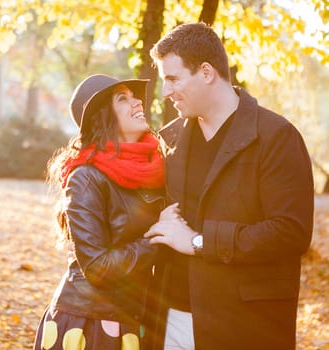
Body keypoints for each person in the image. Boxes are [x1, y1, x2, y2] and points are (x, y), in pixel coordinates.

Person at [144, 22, 314, 350]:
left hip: (244, 325)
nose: (166, 91)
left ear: (206, 72)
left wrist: (198, 242)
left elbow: (290, 232)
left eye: (173, 79)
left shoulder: (277, 137)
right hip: (173, 318)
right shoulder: (171, 138)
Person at [33, 74, 167, 350]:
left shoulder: (156, 168)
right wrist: (158, 238)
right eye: (123, 98)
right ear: (103, 116)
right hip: (89, 322)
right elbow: (96, 268)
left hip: (136, 317)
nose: (137, 103)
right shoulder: (86, 177)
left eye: (135, 96)